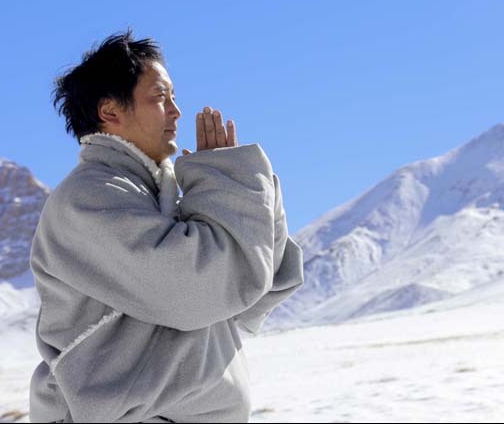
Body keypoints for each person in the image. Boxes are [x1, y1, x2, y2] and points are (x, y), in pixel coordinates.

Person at [29, 29, 304, 423]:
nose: (175, 111)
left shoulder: (164, 197)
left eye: (174, 97)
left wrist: (244, 189)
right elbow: (197, 292)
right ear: (110, 112)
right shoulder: (88, 199)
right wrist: (226, 187)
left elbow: (259, 288)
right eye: (160, 98)